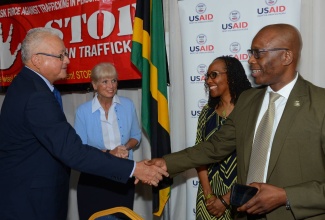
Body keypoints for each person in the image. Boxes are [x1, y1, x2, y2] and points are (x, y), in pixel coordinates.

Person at [147, 23, 325, 220]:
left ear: (286, 56)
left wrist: (286, 196)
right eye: (251, 53)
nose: (250, 60)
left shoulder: (320, 104)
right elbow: (214, 147)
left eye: (258, 53)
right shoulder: (248, 100)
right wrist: (165, 163)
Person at [0, 27, 168, 220]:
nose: (67, 60)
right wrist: (133, 168)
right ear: (37, 60)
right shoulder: (36, 95)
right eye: (60, 55)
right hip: (30, 202)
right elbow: (73, 150)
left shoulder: (28, 86)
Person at [74, 62, 142, 220]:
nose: (111, 86)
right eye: (105, 81)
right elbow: (80, 149)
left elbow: (136, 136)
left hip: (122, 176)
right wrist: (109, 153)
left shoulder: (128, 105)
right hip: (93, 178)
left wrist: (124, 148)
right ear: (94, 84)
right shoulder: (83, 111)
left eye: (114, 80)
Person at [195, 56, 251, 220]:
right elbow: (199, 154)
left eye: (214, 75)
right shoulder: (207, 113)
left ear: (231, 76)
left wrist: (227, 198)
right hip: (209, 197)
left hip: (243, 195)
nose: (208, 80)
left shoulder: (249, 110)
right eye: (207, 76)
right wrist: (208, 195)